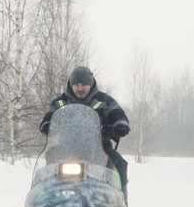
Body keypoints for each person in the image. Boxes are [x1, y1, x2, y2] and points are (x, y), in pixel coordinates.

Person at [40, 66, 132, 199]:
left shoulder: (104, 101)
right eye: (76, 85)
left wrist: (120, 123)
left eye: (84, 84)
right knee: (50, 158)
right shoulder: (60, 102)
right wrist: (47, 124)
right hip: (66, 148)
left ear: (91, 84)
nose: (80, 88)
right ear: (71, 85)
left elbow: (116, 112)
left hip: (99, 148)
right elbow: (49, 115)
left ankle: (119, 204)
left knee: (120, 164)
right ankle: (45, 200)